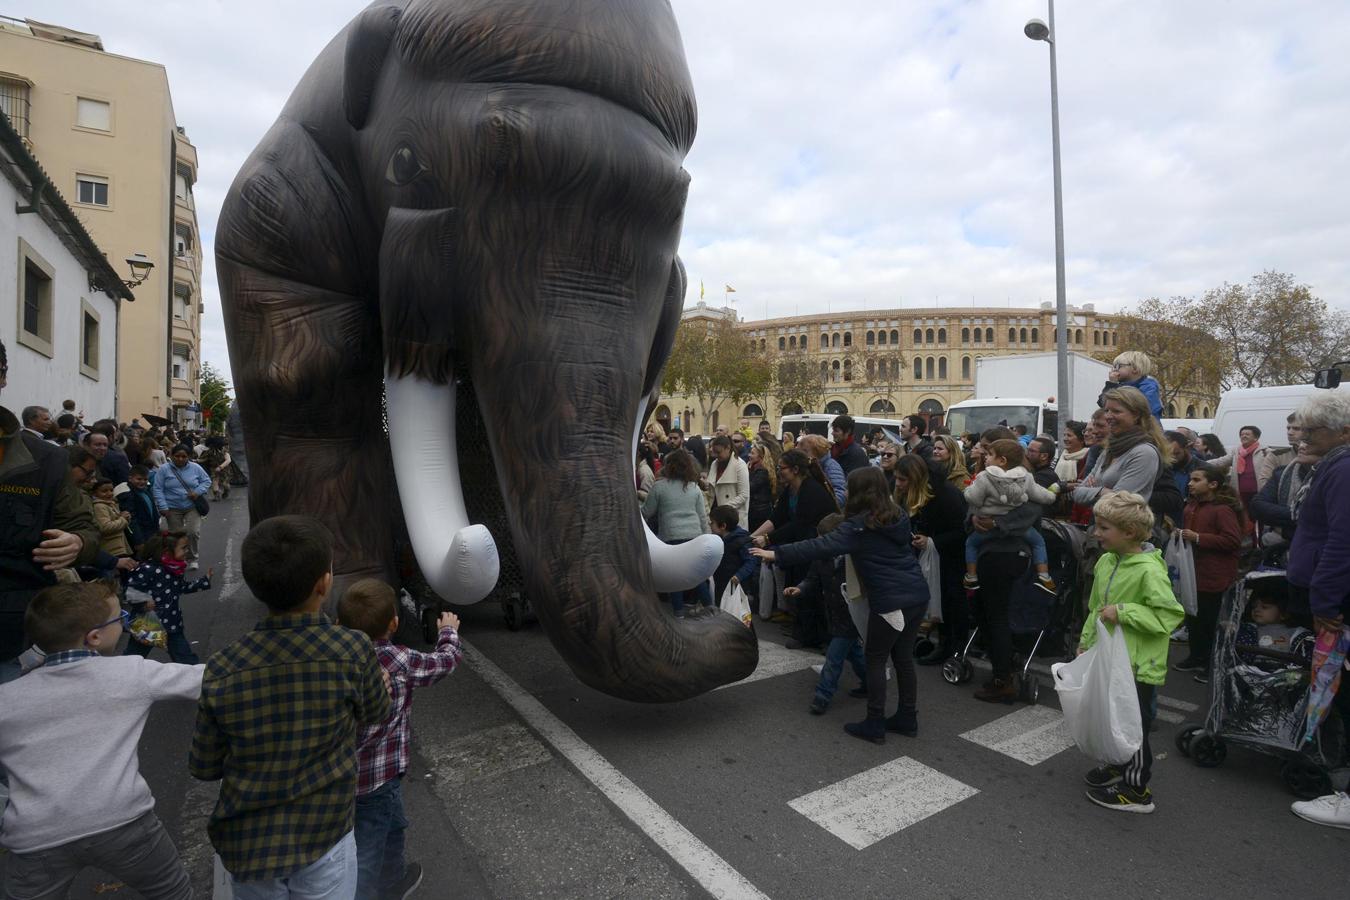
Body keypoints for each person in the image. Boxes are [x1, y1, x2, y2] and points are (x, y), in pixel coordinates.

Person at [190, 515, 391, 896]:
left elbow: (204, 765)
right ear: (324, 583)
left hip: (249, 848)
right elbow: (377, 713)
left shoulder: (222, 667)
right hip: (324, 834)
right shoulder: (351, 650)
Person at [0, 581, 203, 899]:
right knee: (173, 893)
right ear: (94, 637)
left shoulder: (5, 698)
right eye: (119, 617)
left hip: (36, 837)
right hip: (123, 821)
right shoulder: (131, 672)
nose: (123, 622)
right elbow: (207, 679)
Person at [755, 466, 929, 743]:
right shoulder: (896, 515)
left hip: (890, 601)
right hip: (917, 594)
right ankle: (907, 717)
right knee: (903, 658)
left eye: (850, 487)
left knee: (875, 658)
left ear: (860, 493)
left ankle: (875, 722)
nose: (845, 491)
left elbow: (820, 545)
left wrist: (776, 553)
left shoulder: (859, 526)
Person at [338, 579, 462, 900]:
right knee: (368, 849)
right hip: (376, 782)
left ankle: (393, 882)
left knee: (394, 827)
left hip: (347, 776)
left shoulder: (334, 658)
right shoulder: (399, 659)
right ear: (394, 623)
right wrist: (448, 631)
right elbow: (444, 662)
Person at [1076, 491, 1183, 814]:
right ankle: (1117, 763)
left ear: (1130, 533)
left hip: (1136, 665)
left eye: (1104, 528)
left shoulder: (1149, 570)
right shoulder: (1108, 559)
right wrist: (1086, 642)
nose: (1096, 533)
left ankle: (1136, 789)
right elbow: (1096, 608)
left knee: (1131, 725)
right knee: (1112, 718)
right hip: (1110, 658)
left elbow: (1168, 616)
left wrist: (1124, 612)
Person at [0, 339, 101, 672]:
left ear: (2, 378)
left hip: (11, 636)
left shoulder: (46, 458)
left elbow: (83, 526)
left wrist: (77, 542)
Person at [785, 514, 867, 713]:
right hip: (835, 612)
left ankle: (823, 695)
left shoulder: (853, 558)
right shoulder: (822, 558)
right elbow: (812, 579)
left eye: (824, 539)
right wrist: (800, 588)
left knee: (834, 657)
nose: (821, 543)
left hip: (850, 614)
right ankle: (871, 681)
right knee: (853, 653)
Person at [1172, 465, 1245, 683]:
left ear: (1213, 484)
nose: (1190, 483)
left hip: (1214, 575)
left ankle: (1211, 664)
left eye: (1196, 480)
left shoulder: (1222, 509)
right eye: (1191, 479)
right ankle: (1196, 656)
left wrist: (1198, 537)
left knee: (1209, 621)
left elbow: (1232, 541)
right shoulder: (1191, 506)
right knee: (1193, 619)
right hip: (1193, 572)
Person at [894, 455, 967, 666]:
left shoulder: (946, 495)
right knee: (939, 601)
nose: (898, 484)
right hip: (932, 555)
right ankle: (943, 643)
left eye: (902, 480)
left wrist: (933, 541)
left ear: (915, 478)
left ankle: (953, 648)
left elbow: (962, 531)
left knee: (951, 601)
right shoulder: (921, 492)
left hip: (951, 557)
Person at [963, 439, 1059, 594]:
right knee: (1039, 542)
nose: (985, 457)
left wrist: (967, 491)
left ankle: (971, 576)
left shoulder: (984, 477)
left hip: (986, 527)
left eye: (989, 454)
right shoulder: (1026, 477)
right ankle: (1044, 576)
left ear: (1002, 460)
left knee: (971, 543)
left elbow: (974, 499)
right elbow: (1041, 496)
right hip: (1018, 530)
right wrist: (1052, 494)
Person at [1071, 387, 1169, 510]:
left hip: (1127, 527)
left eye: (1116, 411)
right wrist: (1102, 492)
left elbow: (1118, 502)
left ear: (1136, 415)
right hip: (1100, 525)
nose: (1108, 416)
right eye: (1107, 410)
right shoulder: (1109, 450)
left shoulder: (1144, 453)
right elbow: (1077, 493)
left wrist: (1094, 490)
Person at [641, 449, 712, 618]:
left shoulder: (659, 487)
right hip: (694, 535)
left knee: (675, 576)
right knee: (698, 575)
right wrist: (706, 536)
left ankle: (678, 613)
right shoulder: (694, 487)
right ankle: (711, 608)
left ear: (668, 466)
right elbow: (702, 516)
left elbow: (646, 512)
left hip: (671, 536)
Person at [123, 531, 213, 665]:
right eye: (183, 548)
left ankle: (196, 680)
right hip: (148, 624)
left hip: (172, 623)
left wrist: (204, 581)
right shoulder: (147, 569)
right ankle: (121, 677)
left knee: (186, 659)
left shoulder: (175, 569)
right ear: (166, 552)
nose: (187, 552)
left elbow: (182, 587)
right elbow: (130, 591)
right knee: (132, 659)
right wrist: (143, 601)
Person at [153, 445, 212, 570]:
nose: (180, 459)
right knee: (175, 536)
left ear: (189, 457)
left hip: (192, 506)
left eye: (184, 456)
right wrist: (163, 506)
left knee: (193, 532)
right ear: (171, 456)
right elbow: (157, 488)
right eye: (177, 456)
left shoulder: (196, 468)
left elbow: (206, 481)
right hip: (172, 508)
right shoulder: (164, 469)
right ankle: (177, 559)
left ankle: (193, 558)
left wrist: (197, 492)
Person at [710, 505, 756, 606]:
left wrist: (738, 576)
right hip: (721, 584)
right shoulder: (720, 539)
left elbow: (751, 561)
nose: (710, 525)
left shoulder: (742, 540)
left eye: (712, 523)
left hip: (736, 586)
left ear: (723, 526)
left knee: (738, 613)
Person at [1099, 350, 1163, 421]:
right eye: (1114, 367)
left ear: (1135, 369)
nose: (1114, 370)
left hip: (1146, 429)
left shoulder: (1149, 386)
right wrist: (1112, 384)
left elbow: (1142, 407)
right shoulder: (1118, 386)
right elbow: (1103, 404)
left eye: (1118, 366)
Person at [705, 435, 750, 525]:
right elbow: (711, 491)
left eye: (719, 452)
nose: (716, 455)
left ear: (728, 448)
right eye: (715, 452)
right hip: (715, 516)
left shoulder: (740, 465)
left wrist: (724, 508)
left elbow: (744, 495)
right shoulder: (714, 464)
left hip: (732, 516)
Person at [798, 433, 847, 507]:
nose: (801, 455)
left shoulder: (831, 466)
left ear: (817, 451)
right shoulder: (808, 466)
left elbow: (840, 494)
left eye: (805, 451)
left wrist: (821, 506)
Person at [90, 478, 134, 559]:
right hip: (112, 549)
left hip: (119, 546)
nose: (109, 493)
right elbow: (105, 527)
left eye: (111, 490)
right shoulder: (99, 507)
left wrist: (126, 518)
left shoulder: (110, 504)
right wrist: (123, 519)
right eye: (104, 491)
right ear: (95, 493)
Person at [120, 465, 161, 550]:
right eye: (139, 479)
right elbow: (132, 520)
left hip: (152, 532)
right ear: (130, 478)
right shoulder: (128, 495)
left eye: (145, 479)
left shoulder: (146, 491)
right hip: (141, 536)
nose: (142, 482)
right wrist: (138, 540)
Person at [1257, 414, 1299, 490]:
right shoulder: (1276, 456)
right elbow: (1264, 484)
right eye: (1288, 428)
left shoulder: (1324, 456)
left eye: (1296, 428)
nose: (1289, 432)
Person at [746, 442, 776, 533]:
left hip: (758, 511)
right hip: (759, 509)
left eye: (752, 453)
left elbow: (750, 487)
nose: (749, 455)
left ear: (760, 456)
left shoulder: (761, 471)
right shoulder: (756, 468)